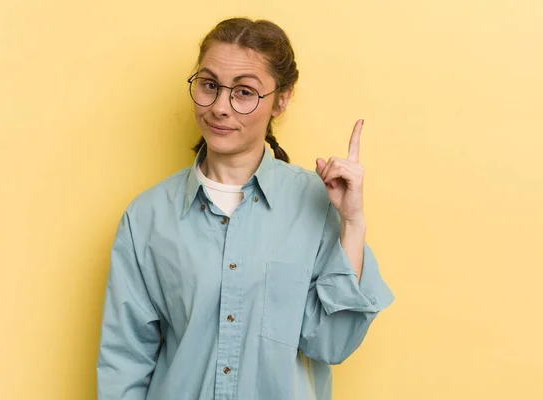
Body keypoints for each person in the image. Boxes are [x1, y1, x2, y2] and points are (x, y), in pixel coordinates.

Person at [97, 17, 394, 400]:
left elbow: (331, 345)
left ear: (281, 99)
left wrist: (351, 222)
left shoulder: (318, 204)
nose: (220, 107)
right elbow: (125, 362)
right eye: (209, 86)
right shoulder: (146, 218)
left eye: (244, 92)